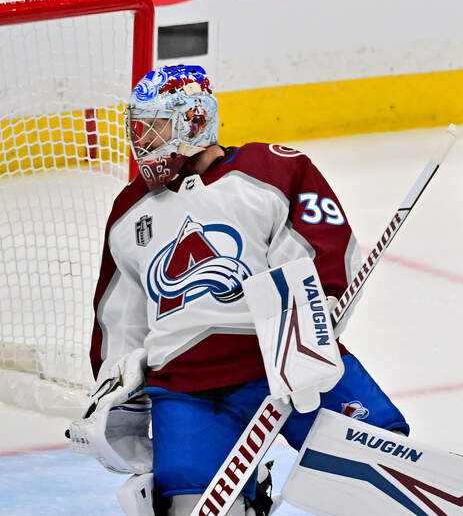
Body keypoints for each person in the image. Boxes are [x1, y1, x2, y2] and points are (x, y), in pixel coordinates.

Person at [71, 64, 410, 514]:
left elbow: (322, 248)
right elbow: (119, 317)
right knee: (192, 506)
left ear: (194, 121)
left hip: (289, 364)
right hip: (187, 389)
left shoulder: (272, 169)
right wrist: (116, 382)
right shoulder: (129, 211)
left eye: (155, 127)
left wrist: (318, 305)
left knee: (383, 471)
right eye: (138, 127)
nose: (142, 140)